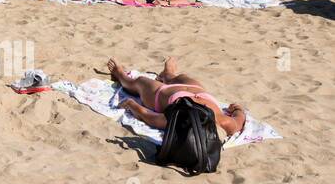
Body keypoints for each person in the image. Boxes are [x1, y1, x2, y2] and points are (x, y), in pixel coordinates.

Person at [105, 57, 246, 138]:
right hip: (197, 91)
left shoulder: (184, 119)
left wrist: (131, 104)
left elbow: (150, 118)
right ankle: (167, 73)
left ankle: (120, 74)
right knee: (180, 77)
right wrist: (237, 108)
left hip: (166, 94)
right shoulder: (227, 123)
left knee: (139, 82)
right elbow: (241, 118)